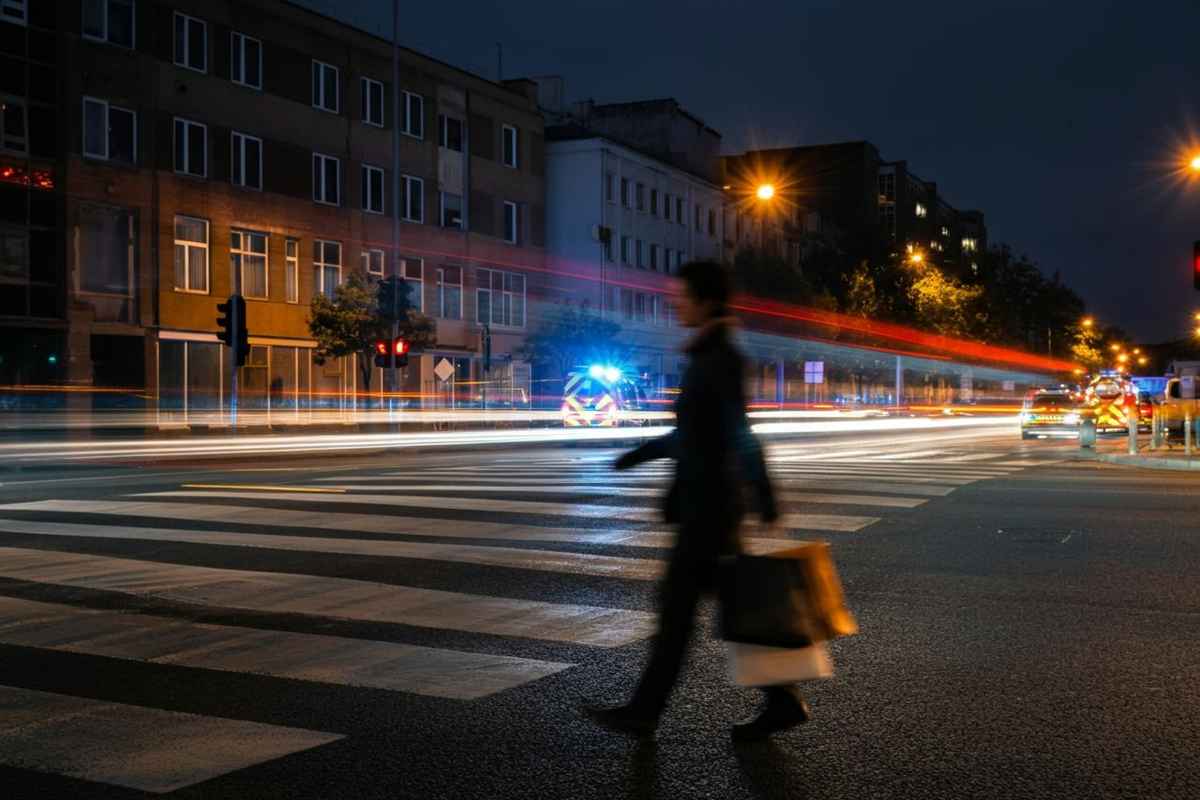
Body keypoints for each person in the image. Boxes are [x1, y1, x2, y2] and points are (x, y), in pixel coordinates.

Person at [584, 260, 810, 741]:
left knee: (679, 612)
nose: (674, 303)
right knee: (731, 606)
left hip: (710, 507)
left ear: (706, 300)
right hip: (709, 504)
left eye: (681, 296)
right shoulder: (709, 354)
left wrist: (766, 497)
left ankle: (645, 712)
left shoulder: (720, 357)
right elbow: (695, 432)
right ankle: (781, 699)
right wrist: (641, 454)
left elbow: (738, 432)